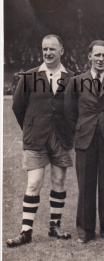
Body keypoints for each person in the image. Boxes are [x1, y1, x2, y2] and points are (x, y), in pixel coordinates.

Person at [7, 35, 74, 247]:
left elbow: (75, 110)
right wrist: (31, 129)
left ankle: (55, 226)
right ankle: (26, 230)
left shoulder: (72, 77)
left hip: (61, 138)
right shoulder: (29, 76)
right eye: (45, 49)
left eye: (52, 49)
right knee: (34, 183)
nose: (48, 53)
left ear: (61, 50)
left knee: (59, 182)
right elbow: (18, 107)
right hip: (35, 139)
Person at [64, 40, 104, 243]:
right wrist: (80, 130)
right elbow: (69, 111)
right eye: (96, 55)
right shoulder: (76, 81)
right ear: (89, 56)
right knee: (86, 185)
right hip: (85, 138)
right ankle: (85, 231)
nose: (100, 59)